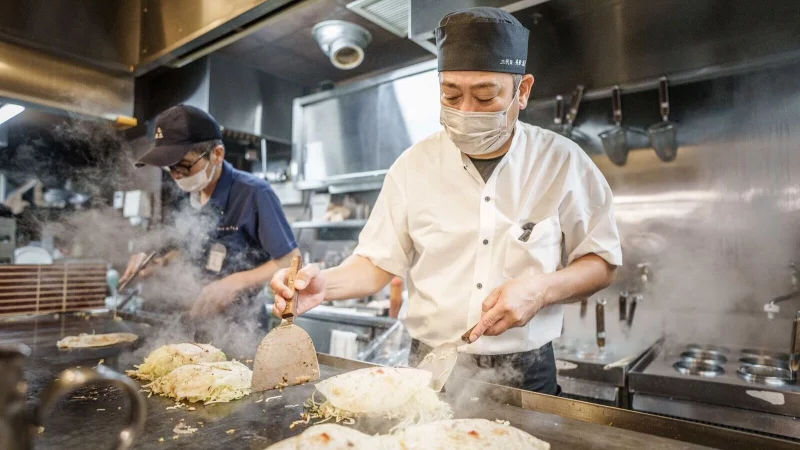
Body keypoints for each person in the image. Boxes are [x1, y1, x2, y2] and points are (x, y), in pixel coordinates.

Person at [270, 7, 622, 394]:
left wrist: (541, 290)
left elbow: (601, 263)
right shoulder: (412, 166)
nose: (465, 111)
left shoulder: (561, 161)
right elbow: (375, 263)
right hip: (430, 368)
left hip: (527, 372)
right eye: (451, 95)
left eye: (486, 96)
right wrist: (324, 285)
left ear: (521, 92)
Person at [128, 105, 299, 317]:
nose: (176, 176)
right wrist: (161, 262)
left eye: (184, 166)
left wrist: (235, 282)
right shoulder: (187, 194)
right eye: (170, 168)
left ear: (217, 154)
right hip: (193, 316)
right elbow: (192, 248)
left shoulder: (253, 193)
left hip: (239, 326)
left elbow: (292, 261)